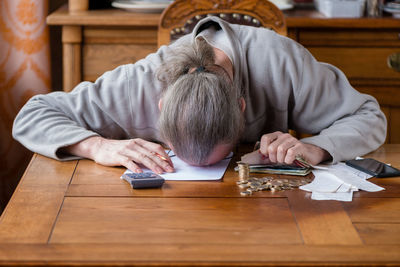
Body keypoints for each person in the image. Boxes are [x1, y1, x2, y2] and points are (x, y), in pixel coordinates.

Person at [12, 16, 387, 174]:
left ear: (242, 108)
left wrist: (316, 147)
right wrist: (97, 147)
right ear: (159, 105)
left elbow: (369, 116)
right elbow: (32, 114)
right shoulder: (137, 83)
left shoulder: (282, 62)